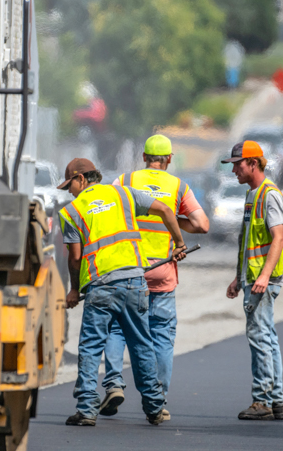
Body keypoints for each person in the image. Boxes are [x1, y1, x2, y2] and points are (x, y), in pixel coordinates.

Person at [58, 157, 188, 426]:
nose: (69, 191)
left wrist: (73, 289)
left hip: (101, 286)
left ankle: (86, 410)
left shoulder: (71, 211)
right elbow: (165, 209)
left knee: (91, 346)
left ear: (81, 179)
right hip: (134, 281)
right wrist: (179, 243)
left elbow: (74, 258)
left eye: (69, 185)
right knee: (142, 343)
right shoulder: (124, 194)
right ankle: (154, 407)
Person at [99, 134, 210, 421]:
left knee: (117, 329)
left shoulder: (124, 182)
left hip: (128, 271)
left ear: (144, 157)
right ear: (169, 159)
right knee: (161, 336)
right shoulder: (178, 186)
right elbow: (202, 224)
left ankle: (112, 384)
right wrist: (169, 216)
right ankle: (157, 399)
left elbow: (106, 213)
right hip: (163, 273)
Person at [223, 140, 283, 421]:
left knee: (259, 337)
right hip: (253, 277)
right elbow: (249, 242)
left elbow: (278, 236)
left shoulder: (269, 194)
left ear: (253, 163)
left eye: (237, 165)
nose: (234, 170)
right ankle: (275, 399)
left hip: (263, 279)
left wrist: (264, 276)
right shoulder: (253, 195)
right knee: (267, 336)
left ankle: (262, 401)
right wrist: (238, 276)